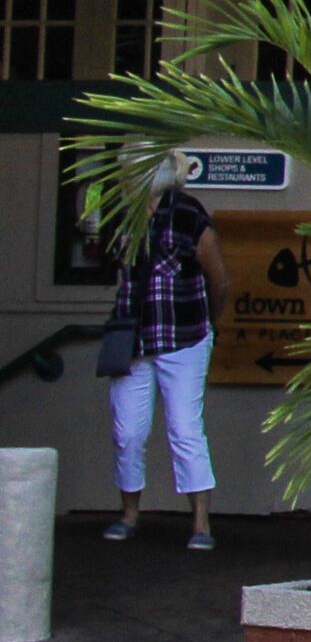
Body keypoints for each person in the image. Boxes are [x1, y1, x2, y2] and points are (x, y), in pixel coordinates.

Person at [102, 174, 227, 549]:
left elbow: (218, 279)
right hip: (134, 339)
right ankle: (128, 515)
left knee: (185, 430)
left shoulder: (189, 214)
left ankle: (201, 524)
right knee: (127, 433)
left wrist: (209, 323)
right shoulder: (122, 217)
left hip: (184, 336)